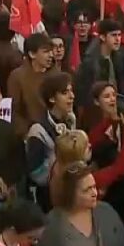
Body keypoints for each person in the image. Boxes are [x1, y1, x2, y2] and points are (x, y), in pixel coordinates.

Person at [26, 72, 77, 208]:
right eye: (65, 92)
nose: (72, 96)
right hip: (48, 200)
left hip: (71, 192)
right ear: (52, 98)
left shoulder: (71, 120)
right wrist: (59, 171)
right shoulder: (38, 130)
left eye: (71, 91)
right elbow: (35, 173)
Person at [7, 33, 55, 138]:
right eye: (46, 51)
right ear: (32, 54)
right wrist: (27, 132)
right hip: (30, 134)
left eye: (51, 51)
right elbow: (14, 110)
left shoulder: (55, 75)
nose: (51, 55)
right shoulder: (17, 76)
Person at [74, 18, 124, 110]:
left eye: (119, 35)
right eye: (113, 35)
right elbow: (84, 93)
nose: (117, 39)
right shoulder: (90, 62)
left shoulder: (117, 58)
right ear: (102, 37)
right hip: (95, 110)